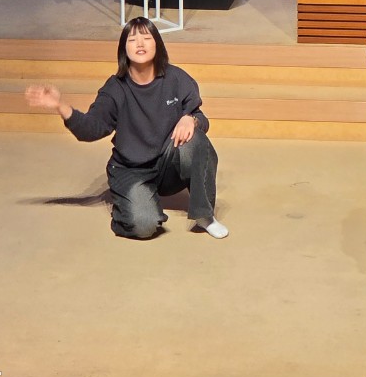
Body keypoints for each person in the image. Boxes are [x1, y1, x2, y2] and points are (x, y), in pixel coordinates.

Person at [25, 16, 227, 240]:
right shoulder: (115, 88)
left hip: (168, 162)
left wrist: (191, 119)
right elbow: (91, 129)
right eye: (132, 39)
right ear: (124, 49)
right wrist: (60, 106)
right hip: (132, 169)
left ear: (157, 44)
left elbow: (201, 119)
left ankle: (205, 216)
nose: (140, 44)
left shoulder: (176, 78)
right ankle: (130, 202)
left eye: (146, 38)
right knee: (144, 226)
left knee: (196, 141)